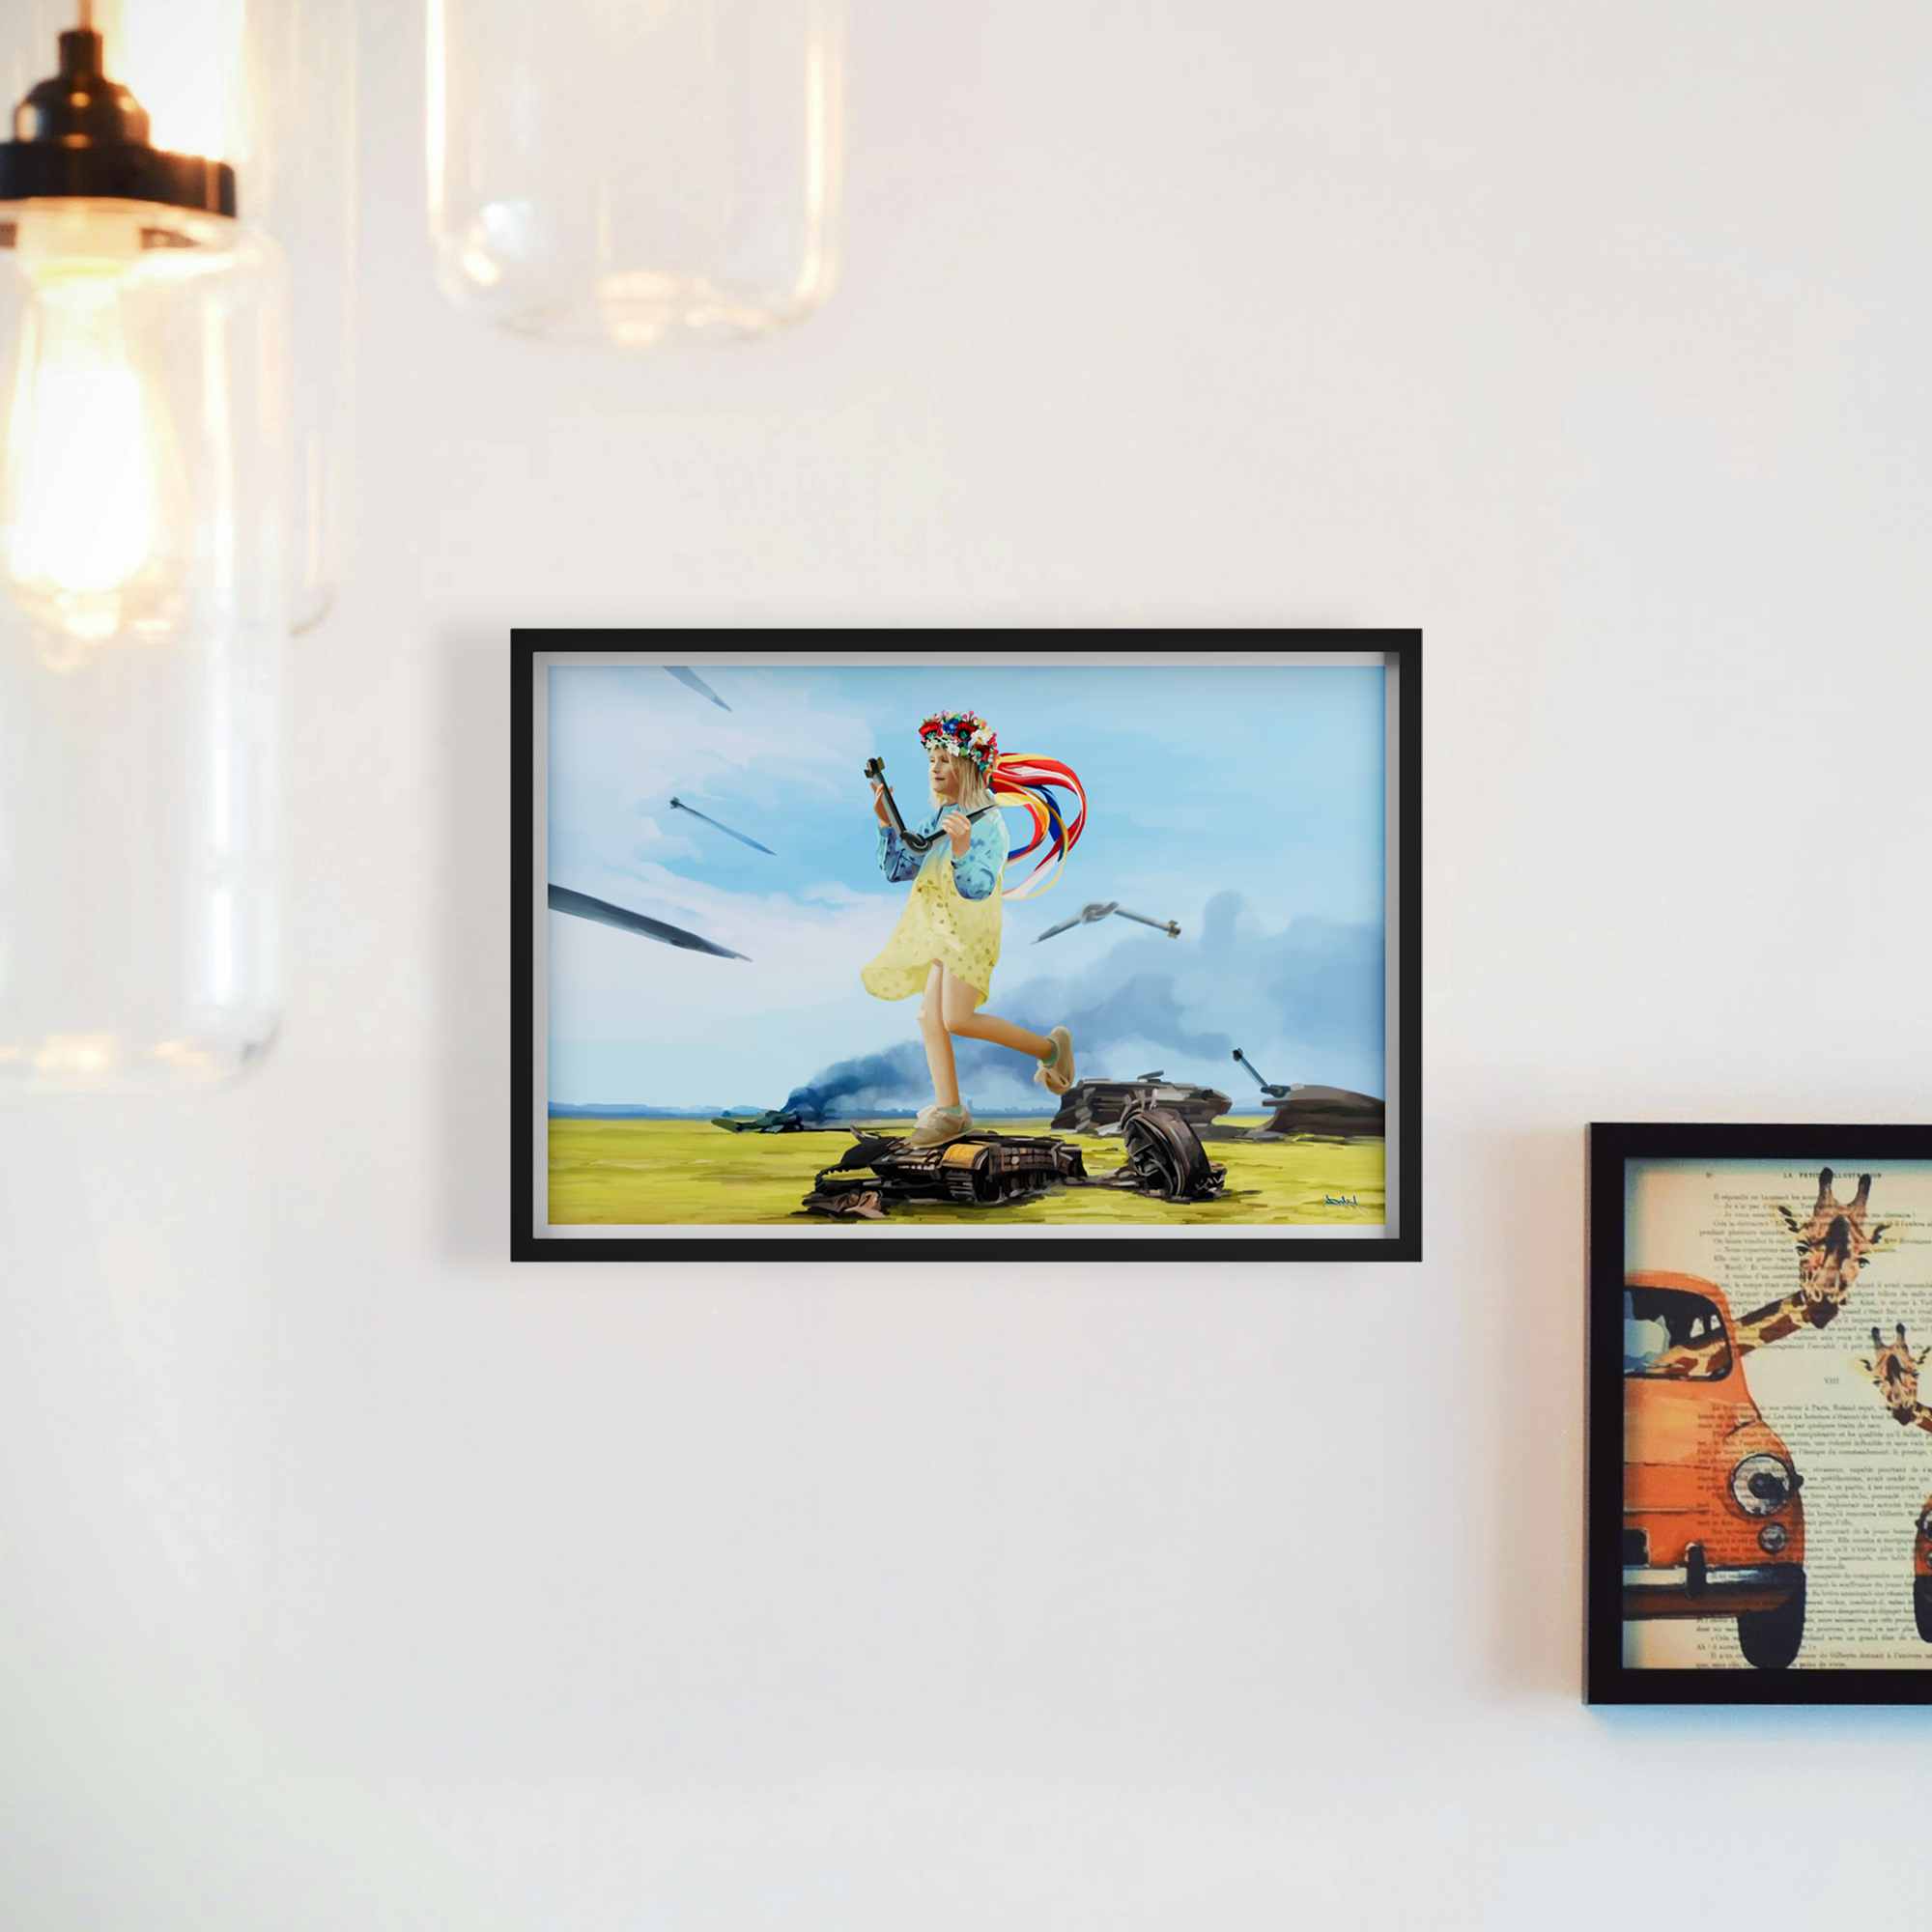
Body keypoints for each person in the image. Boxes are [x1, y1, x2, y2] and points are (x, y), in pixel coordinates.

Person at [862, 711, 1086, 1147]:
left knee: (957, 1019)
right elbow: (898, 869)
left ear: (967, 766)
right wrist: (887, 823)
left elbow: (978, 888)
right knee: (928, 1016)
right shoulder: (937, 820)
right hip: (938, 929)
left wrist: (962, 848)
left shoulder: (987, 824)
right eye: (931, 760)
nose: (935, 769)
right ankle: (950, 1111)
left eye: (945, 760)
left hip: (969, 933)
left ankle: (1050, 1050)